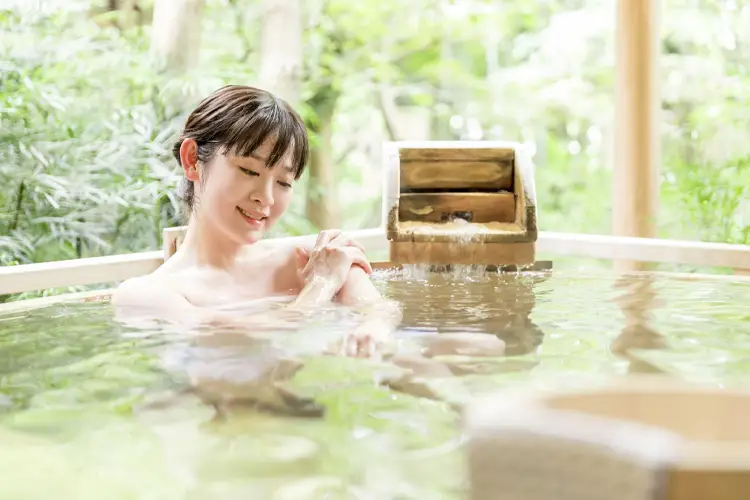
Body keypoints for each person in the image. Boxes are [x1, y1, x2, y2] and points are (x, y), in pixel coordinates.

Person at [113, 85, 400, 358]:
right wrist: (321, 286)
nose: (266, 198)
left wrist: (373, 330)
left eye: (284, 183)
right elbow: (229, 337)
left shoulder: (312, 259)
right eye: (249, 171)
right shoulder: (147, 294)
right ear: (192, 160)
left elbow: (381, 309)